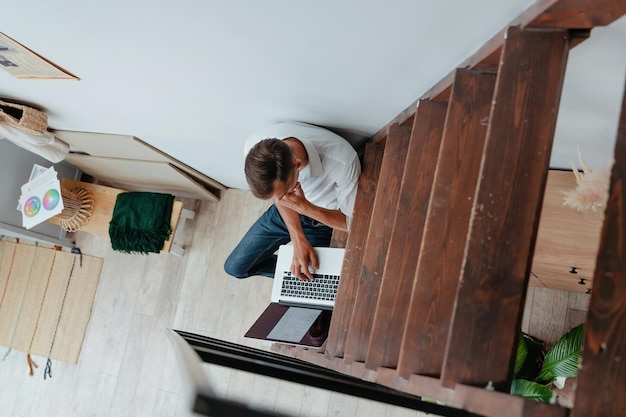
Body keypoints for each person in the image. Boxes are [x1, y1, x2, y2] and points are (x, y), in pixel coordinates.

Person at [224, 121, 361, 281]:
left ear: (297, 164)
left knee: (314, 280)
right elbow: (280, 201)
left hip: (323, 220)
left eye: (284, 193)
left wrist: (306, 208)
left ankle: (307, 279)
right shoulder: (255, 146)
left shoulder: (342, 160)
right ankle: (294, 276)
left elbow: (353, 223)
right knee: (235, 268)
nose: (278, 199)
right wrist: (298, 239)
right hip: (284, 213)